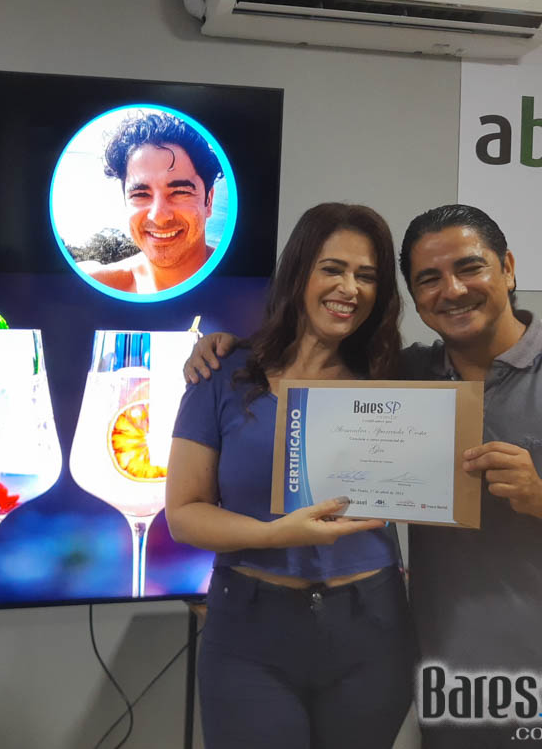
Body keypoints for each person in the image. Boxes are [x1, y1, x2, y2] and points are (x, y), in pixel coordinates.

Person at [185, 204, 542, 748]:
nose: (452, 290)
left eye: (470, 267)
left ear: (507, 267)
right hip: (452, 685)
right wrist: (222, 345)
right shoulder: (405, 376)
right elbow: (300, 360)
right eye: (429, 279)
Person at [166, 203, 416, 749]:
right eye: (333, 269)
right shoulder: (223, 373)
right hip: (250, 633)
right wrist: (277, 534)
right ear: (299, 272)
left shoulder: (397, 376)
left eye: (367, 275)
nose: (349, 288)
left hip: (372, 632)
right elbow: (183, 514)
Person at [78, 112, 223, 293]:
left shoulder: (247, 285)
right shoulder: (94, 287)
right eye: (141, 195)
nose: (158, 216)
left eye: (180, 192)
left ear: (209, 200)